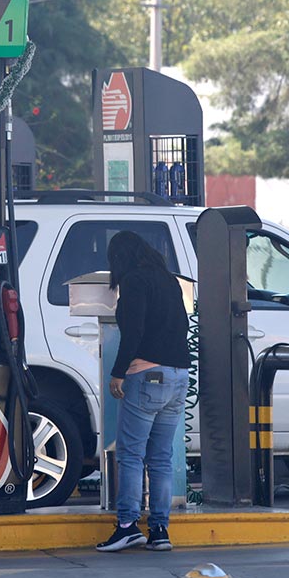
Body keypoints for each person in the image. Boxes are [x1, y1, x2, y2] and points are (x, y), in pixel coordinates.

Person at [95, 231, 190, 553]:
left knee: (131, 455)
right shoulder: (168, 280)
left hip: (147, 376)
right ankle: (160, 530)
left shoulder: (135, 281)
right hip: (179, 376)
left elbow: (132, 332)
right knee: (161, 457)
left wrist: (118, 374)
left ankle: (126, 526)